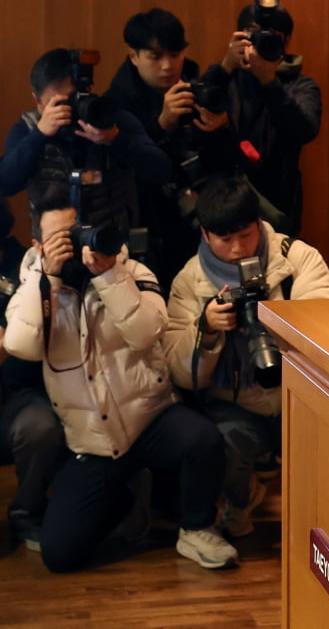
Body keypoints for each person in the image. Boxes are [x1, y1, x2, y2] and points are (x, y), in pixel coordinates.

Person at [3, 179, 237, 571]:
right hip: (93, 440)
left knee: (204, 440)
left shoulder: (131, 270)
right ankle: (126, 497)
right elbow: (21, 345)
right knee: (59, 556)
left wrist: (109, 277)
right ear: (37, 245)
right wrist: (48, 279)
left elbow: (148, 332)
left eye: (75, 233)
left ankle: (196, 529)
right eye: (59, 238)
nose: (72, 245)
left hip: (150, 417)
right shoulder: (34, 287)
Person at [165, 175, 329, 537]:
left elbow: (328, 337)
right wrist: (207, 329)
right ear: (205, 236)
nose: (239, 248)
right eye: (225, 240)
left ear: (259, 225)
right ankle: (240, 499)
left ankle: (319, 524)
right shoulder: (189, 281)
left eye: (246, 235)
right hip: (235, 403)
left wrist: (273, 318)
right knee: (220, 443)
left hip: (298, 397)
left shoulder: (297, 260)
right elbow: (183, 375)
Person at [105, 8, 232, 288]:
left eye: (175, 55)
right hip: (149, 234)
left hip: (203, 226)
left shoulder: (197, 88)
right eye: (155, 56)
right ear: (133, 56)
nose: (167, 66)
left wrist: (219, 129)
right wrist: (161, 125)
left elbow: (224, 164)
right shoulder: (116, 105)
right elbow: (128, 174)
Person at [1, 48, 172, 236]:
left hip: (113, 245)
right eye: (57, 104)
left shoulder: (112, 119)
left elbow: (162, 171)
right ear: (37, 101)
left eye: (73, 99)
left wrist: (115, 139)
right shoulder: (27, 129)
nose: (68, 110)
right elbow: (5, 184)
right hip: (56, 247)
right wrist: (39, 135)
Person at [200, 0, 322, 236]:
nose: (260, 43)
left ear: (286, 43)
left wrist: (268, 81)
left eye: (271, 37)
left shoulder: (300, 86)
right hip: (222, 206)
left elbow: (305, 129)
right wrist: (225, 67)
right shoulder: (225, 79)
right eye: (253, 35)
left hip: (277, 205)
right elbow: (196, 114)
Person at [0, 199, 66, 553]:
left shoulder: (25, 264)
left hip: (22, 389)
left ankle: (27, 512)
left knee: (39, 426)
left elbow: (23, 339)